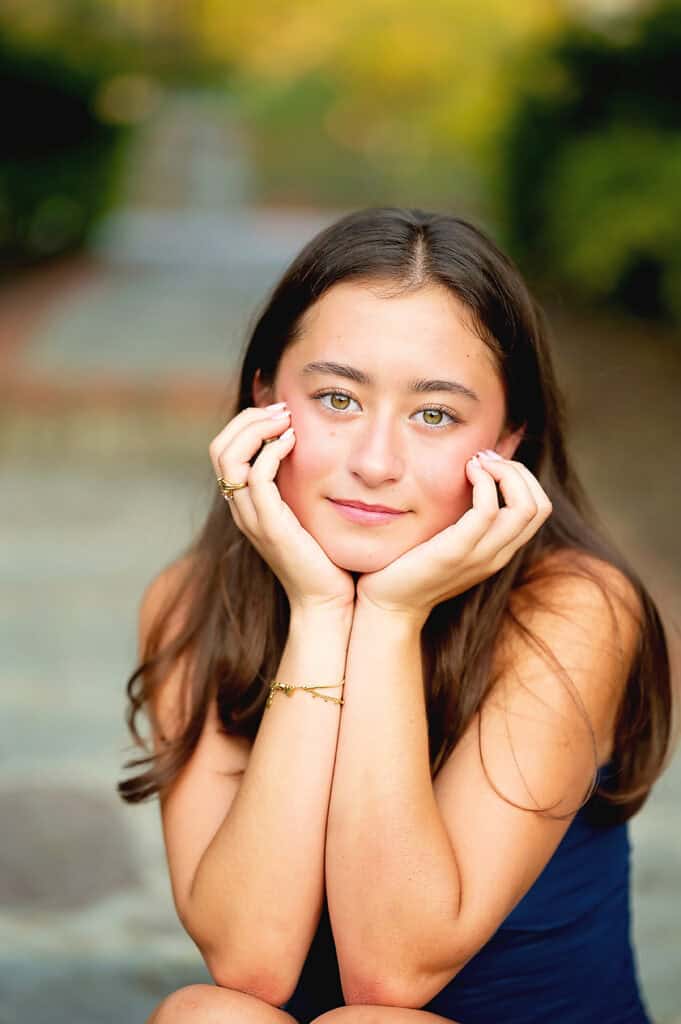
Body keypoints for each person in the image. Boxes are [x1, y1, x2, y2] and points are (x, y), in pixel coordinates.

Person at [118, 207, 674, 1024]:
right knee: (208, 1014)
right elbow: (250, 962)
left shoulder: (571, 606)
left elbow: (389, 976)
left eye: (435, 415)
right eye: (337, 398)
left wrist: (385, 619)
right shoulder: (191, 603)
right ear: (264, 397)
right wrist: (317, 611)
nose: (375, 463)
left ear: (509, 436)